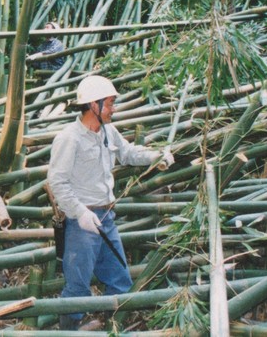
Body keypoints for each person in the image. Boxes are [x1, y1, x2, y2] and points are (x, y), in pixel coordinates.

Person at [47, 75, 174, 330]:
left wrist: (155, 155)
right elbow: (57, 183)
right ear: (94, 105)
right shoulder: (69, 138)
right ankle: (68, 331)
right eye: (111, 103)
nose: (114, 109)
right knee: (77, 288)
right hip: (82, 224)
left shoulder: (108, 131)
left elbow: (127, 153)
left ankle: (117, 328)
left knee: (120, 280)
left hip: (107, 219)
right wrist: (80, 213)